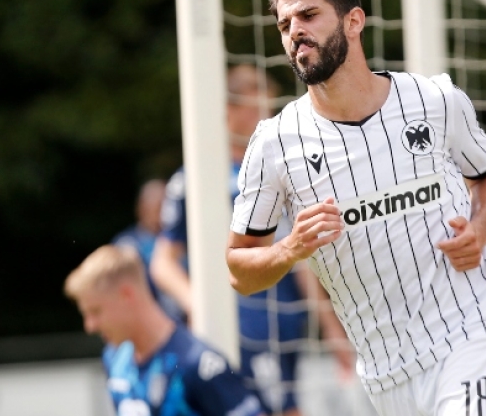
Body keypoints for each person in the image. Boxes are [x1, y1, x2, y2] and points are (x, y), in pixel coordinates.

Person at [225, 0, 486, 416]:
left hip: (472, 334)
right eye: (285, 25)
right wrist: (290, 248)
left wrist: (479, 229)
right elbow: (240, 269)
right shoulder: (274, 144)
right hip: (385, 375)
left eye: (309, 15)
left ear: (354, 21)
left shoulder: (434, 100)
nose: (296, 32)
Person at [151, 64, 353, 416]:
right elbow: (162, 261)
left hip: (284, 321)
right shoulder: (196, 179)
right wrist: (199, 302)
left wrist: (331, 329)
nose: (263, 118)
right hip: (239, 325)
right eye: (253, 108)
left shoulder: (282, 175)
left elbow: (300, 259)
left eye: (267, 108)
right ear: (228, 111)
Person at [64, 244, 265, 416]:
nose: (90, 326)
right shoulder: (115, 360)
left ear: (126, 295)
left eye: (95, 311)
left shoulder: (197, 364)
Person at [110, 178, 185, 322]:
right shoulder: (127, 244)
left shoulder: (179, 241)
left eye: (167, 206)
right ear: (142, 208)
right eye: (158, 207)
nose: (164, 213)